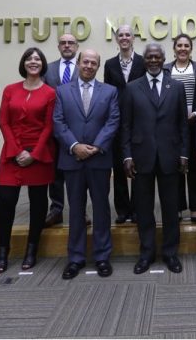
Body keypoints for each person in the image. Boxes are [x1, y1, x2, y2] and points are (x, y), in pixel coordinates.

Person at [122, 43, 189, 274]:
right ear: (144, 60)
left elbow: (183, 124)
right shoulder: (132, 88)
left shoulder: (177, 87)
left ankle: (171, 254)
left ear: (163, 59)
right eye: (149, 57)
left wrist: (183, 153)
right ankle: (147, 253)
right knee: (143, 208)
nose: (152, 60)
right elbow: (126, 125)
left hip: (170, 156)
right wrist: (127, 155)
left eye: (156, 57)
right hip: (141, 157)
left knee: (171, 208)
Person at [54, 49, 120, 279]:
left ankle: (102, 257)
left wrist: (96, 146)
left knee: (101, 209)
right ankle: (76, 258)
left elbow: (113, 121)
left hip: (99, 159)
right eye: (86, 61)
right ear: (78, 64)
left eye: (94, 62)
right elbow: (58, 122)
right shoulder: (62, 91)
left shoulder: (110, 91)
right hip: (72, 159)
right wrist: (75, 146)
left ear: (98, 66)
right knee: (76, 210)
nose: (89, 65)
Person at [0, 47, 57, 274]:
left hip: (38, 154)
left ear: (43, 65)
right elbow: (3, 122)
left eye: (37, 59)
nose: (33, 62)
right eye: (29, 59)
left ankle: (32, 250)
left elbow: (49, 126)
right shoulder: (10, 90)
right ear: (23, 63)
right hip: (12, 153)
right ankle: (3, 252)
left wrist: (33, 154)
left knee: (38, 205)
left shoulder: (50, 92)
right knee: (5, 203)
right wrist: (17, 150)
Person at [103, 24, 145, 224]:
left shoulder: (143, 61)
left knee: (138, 166)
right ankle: (122, 210)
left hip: (139, 121)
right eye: (121, 35)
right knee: (119, 167)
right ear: (117, 38)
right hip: (117, 121)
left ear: (133, 37)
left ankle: (137, 208)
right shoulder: (110, 64)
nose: (125, 38)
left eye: (128, 34)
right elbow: (107, 94)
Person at [163, 33, 196, 223]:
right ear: (174, 49)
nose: (182, 48)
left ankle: (195, 208)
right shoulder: (165, 70)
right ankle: (179, 207)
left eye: (186, 45)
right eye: (179, 45)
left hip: (194, 124)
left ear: (191, 49)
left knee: (194, 167)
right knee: (175, 166)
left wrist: (195, 113)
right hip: (172, 125)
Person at [42, 33, 78, 227]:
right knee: (54, 172)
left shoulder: (85, 67)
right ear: (58, 47)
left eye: (70, 43)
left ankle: (78, 210)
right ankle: (56, 209)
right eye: (63, 43)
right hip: (53, 129)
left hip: (77, 130)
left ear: (76, 47)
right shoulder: (48, 69)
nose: (67, 46)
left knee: (76, 173)